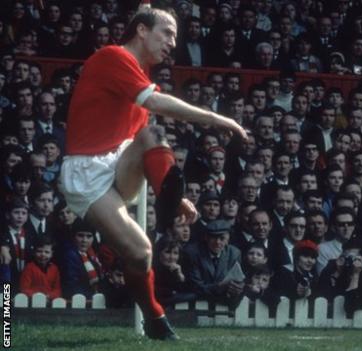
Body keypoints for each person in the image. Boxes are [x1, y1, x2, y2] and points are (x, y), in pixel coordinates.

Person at [57, 6, 248, 341]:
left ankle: (168, 199)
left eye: (175, 36)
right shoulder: (113, 56)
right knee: (141, 252)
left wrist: (178, 196)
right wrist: (219, 119)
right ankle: (156, 318)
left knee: (151, 133)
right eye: (167, 33)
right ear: (142, 31)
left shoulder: (137, 73)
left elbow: (149, 144)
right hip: (86, 171)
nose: (173, 42)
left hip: (118, 163)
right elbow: (159, 104)